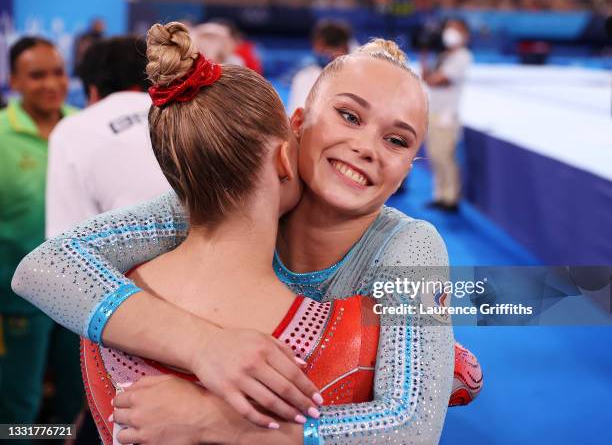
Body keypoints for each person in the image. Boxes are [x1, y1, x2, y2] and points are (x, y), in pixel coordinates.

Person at [13, 31, 467, 444]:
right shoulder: (233, 196)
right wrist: (205, 346)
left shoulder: (411, 246)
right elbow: (46, 266)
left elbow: (412, 428)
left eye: (397, 141)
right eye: (349, 116)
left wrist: (222, 421)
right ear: (298, 123)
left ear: (410, 167)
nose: (367, 147)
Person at [0, 36, 82, 426]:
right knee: (20, 403)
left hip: (80, 294)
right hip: (15, 299)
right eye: (37, 76)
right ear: (13, 80)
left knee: (77, 400)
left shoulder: (84, 129)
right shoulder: (0, 135)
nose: (51, 83)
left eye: (58, 73)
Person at [46, 36, 170, 238]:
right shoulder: (187, 113)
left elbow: (65, 244)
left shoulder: (72, 131)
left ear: (93, 92)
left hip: (125, 266)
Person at [421, 18, 473, 212]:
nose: (451, 32)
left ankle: (451, 198)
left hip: (447, 115)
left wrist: (432, 76)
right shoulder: (442, 55)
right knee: (434, 155)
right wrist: (424, 52)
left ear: (465, 35)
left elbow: (437, 80)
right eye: (449, 28)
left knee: (445, 157)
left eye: (456, 29)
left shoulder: (463, 56)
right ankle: (439, 195)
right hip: (433, 110)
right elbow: (426, 77)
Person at [287, 19, 351, 114]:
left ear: (343, 48)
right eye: (317, 47)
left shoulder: (354, 78)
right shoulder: (304, 76)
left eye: (324, 48)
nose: (319, 51)